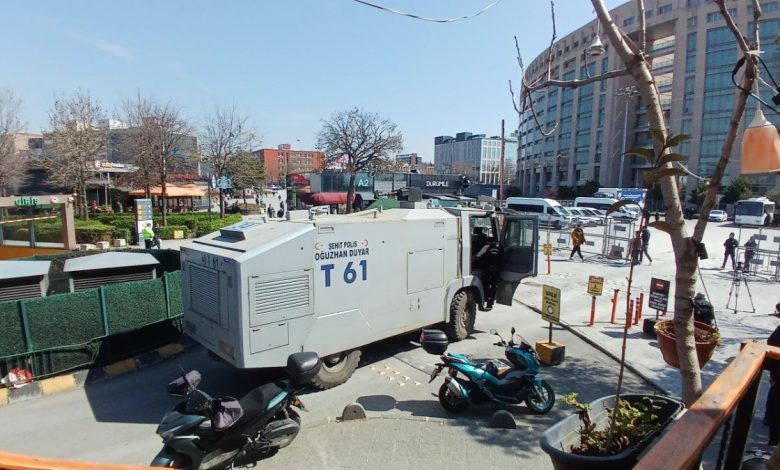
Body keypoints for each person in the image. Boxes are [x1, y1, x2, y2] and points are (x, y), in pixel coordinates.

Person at [473, 238, 502, 310]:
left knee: (485, 284)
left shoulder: (487, 247)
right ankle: (490, 302)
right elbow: (503, 259)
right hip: (496, 269)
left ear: (489, 242)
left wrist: (472, 260)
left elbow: (478, 255)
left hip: (488, 269)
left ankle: (484, 299)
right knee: (493, 285)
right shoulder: (500, 247)